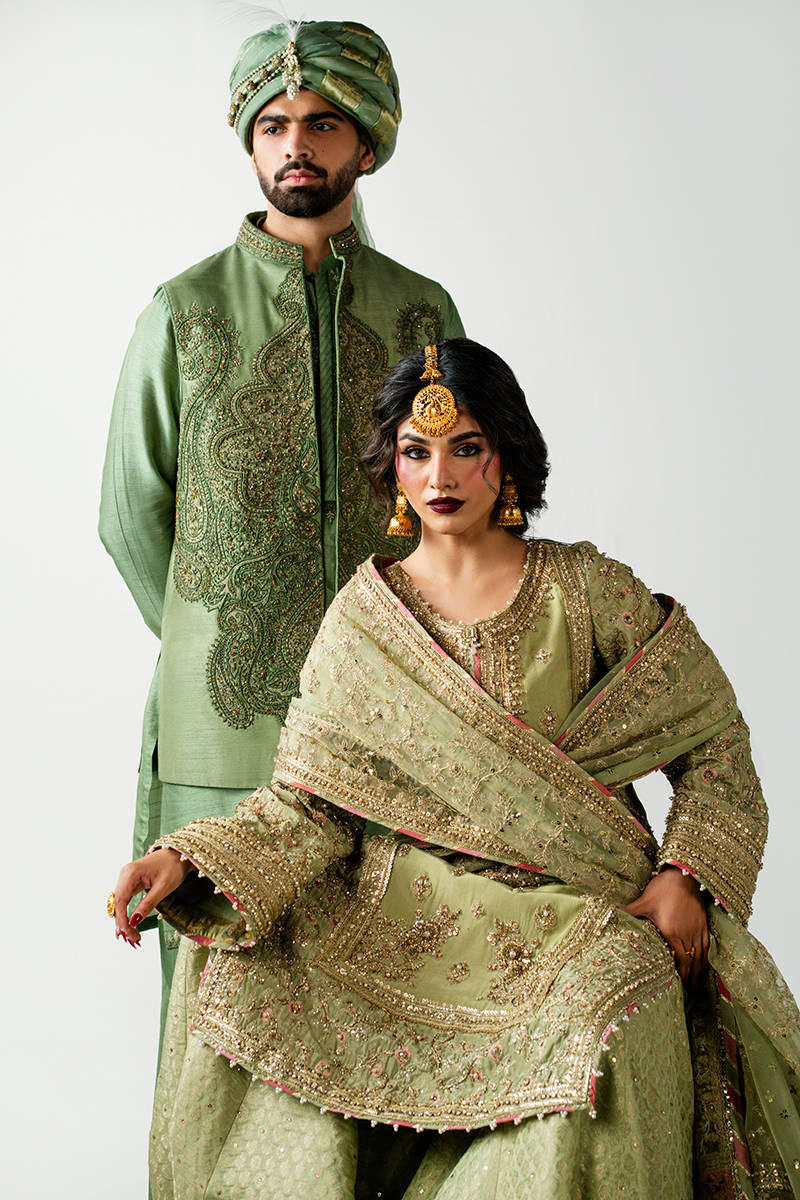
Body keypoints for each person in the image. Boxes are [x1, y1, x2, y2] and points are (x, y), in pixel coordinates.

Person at [112, 339, 800, 1198]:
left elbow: (716, 744)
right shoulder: (365, 619)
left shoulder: (587, 592)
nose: (439, 476)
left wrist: (684, 876)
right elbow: (309, 805)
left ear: (504, 456)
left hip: (568, 911)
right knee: (249, 960)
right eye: (416, 451)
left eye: (464, 447)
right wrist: (189, 859)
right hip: (400, 907)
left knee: (619, 999)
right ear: (392, 466)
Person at [99, 17, 464, 1037]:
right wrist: (213, 624)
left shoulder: (421, 314)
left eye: (321, 124)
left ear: (366, 144)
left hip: (394, 717)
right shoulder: (183, 313)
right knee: (218, 1000)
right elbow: (129, 512)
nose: (294, 144)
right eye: (272, 125)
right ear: (250, 143)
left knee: (391, 998)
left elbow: (460, 501)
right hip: (224, 721)